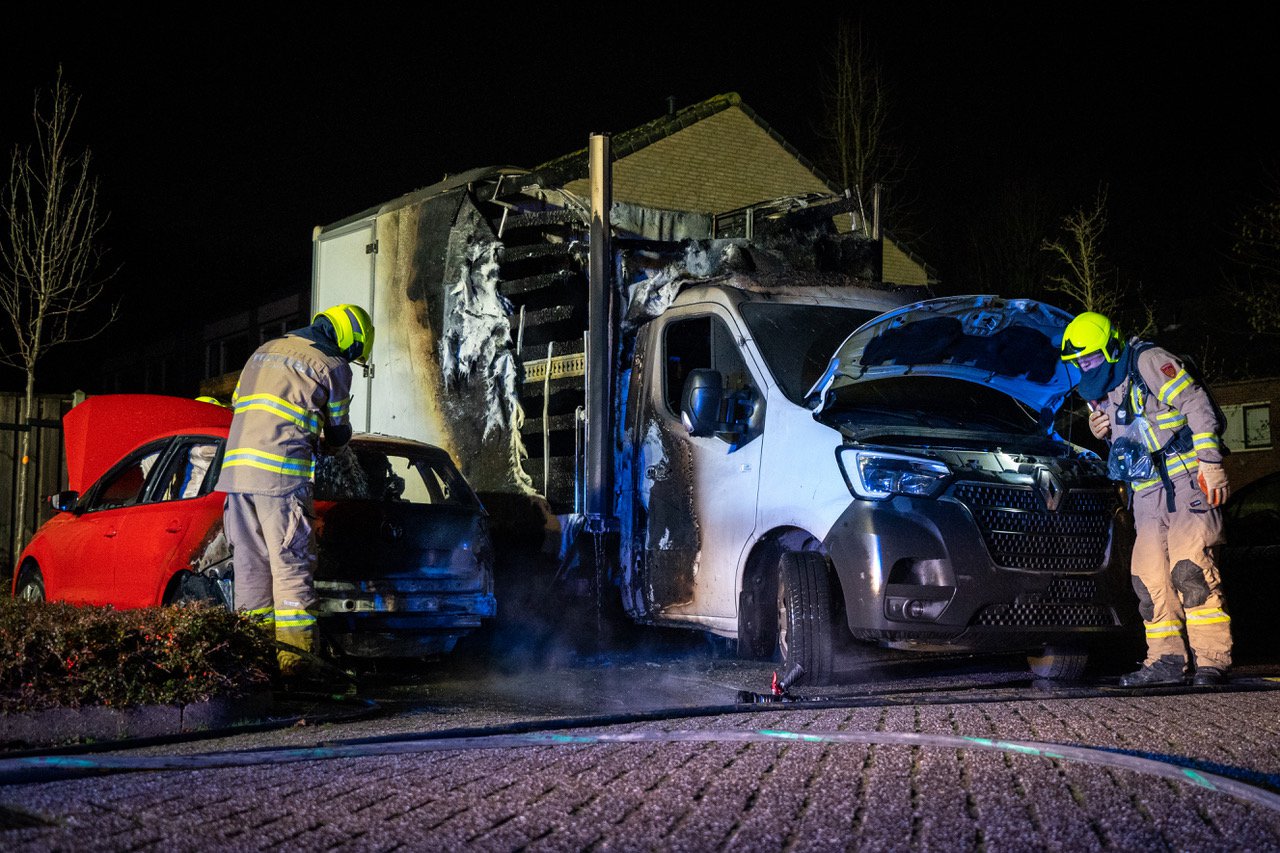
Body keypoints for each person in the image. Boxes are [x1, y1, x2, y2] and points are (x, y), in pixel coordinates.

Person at [1060, 311, 1231, 687]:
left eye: (1088, 358)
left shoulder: (1148, 361)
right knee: (1148, 579)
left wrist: (1211, 464)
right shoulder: (1105, 385)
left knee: (1191, 570)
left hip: (1186, 480)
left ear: (1109, 347)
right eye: (1078, 362)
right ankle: (1165, 661)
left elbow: (1196, 404)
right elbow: (1129, 443)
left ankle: (1211, 661)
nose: (1084, 366)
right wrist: (1099, 431)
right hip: (1147, 492)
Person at [218, 304, 374, 675]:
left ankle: (253, 666)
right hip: (281, 481)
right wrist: (330, 445)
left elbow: (241, 405)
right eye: (354, 352)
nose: (350, 358)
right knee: (291, 574)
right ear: (349, 341)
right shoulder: (332, 365)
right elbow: (337, 431)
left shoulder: (263, 352)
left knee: (251, 575)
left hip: (237, 481)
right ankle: (296, 669)